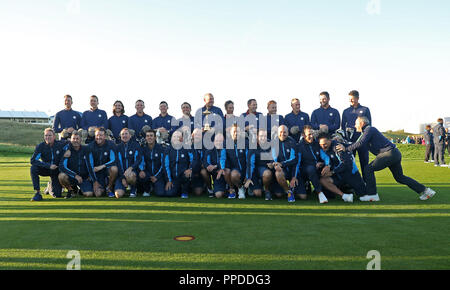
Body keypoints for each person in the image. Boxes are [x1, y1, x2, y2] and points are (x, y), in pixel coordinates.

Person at [336, 116, 436, 201]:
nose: (355, 125)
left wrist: (346, 149)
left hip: (389, 154)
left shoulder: (369, 129)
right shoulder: (366, 132)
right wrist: (344, 145)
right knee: (399, 177)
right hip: (394, 153)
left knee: (368, 169)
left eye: (356, 123)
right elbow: (357, 143)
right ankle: (425, 190)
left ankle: (372, 195)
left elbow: (360, 143)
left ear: (362, 123)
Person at [317, 133, 366, 203]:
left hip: (351, 174)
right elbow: (328, 160)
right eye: (321, 144)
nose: (323, 146)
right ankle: (345, 196)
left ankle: (355, 187)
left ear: (330, 140)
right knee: (323, 180)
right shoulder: (324, 149)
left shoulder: (337, 147)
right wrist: (323, 165)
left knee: (364, 196)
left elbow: (346, 164)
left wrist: (332, 172)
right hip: (338, 175)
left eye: (324, 144)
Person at [30, 128, 68, 201]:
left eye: (50, 135)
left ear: (54, 136)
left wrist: (68, 151)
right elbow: (33, 160)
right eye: (46, 135)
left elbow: (71, 143)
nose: (47, 137)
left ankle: (50, 186)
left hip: (56, 171)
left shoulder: (60, 144)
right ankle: (37, 192)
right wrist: (48, 165)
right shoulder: (40, 146)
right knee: (33, 168)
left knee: (57, 195)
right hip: (46, 169)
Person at [295, 125, 330, 203]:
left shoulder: (317, 144)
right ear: (303, 135)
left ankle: (319, 190)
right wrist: (294, 176)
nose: (311, 136)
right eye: (309, 134)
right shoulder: (299, 147)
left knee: (330, 195)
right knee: (303, 197)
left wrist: (326, 164)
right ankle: (319, 192)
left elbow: (325, 157)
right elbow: (297, 163)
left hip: (316, 170)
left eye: (312, 134)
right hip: (303, 172)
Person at [341, 90, 371, 178]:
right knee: (350, 163)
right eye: (349, 99)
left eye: (352, 99)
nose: (350, 101)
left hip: (363, 141)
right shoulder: (346, 111)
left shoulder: (365, 109)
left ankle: (367, 184)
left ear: (357, 98)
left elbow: (369, 126)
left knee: (364, 163)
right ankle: (352, 185)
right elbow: (342, 127)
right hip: (350, 142)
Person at [58, 131, 95, 198]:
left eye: (77, 139)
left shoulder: (86, 149)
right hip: (72, 177)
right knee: (62, 176)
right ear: (70, 140)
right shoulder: (67, 150)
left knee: (89, 194)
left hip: (84, 178)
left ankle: (80, 190)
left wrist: (90, 176)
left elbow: (91, 165)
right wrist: (75, 175)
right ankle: (71, 190)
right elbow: (61, 166)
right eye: (73, 139)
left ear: (81, 140)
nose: (75, 140)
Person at [269, 125, 298, 203]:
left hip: (292, 170)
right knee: (278, 194)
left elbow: (294, 159)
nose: (282, 134)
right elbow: (274, 157)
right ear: (277, 133)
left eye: (284, 132)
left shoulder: (292, 142)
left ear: (288, 133)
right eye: (280, 132)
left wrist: (293, 177)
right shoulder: (274, 142)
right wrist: (276, 165)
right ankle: (289, 192)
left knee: (303, 196)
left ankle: (294, 187)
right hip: (281, 171)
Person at [87, 127, 118, 197]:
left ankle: (109, 187)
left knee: (114, 169)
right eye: (97, 135)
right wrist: (94, 180)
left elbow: (114, 160)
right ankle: (102, 187)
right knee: (98, 194)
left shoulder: (111, 144)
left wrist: (102, 166)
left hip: (107, 170)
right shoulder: (90, 146)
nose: (98, 137)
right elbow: (89, 164)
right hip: (96, 172)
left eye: (101, 135)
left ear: (105, 136)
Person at [245, 129, 274, 200]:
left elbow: (274, 157)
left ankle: (267, 190)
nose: (263, 138)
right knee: (258, 194)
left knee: (267, 173)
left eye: (265, 136)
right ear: (257, 137)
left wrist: (272, 162)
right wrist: (248, 178)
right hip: (254, 171)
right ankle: (255, 186)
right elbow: (250, 164)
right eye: (261, 136)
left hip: (265, 170)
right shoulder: (253, 147)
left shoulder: (271, 145)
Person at [164, 131, 194, 198]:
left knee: (187, 175)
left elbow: (194, 160)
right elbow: (166, 166)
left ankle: (185, 191)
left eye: (178, 136)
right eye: (174, 136)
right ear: (171, 139)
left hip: (184, 175)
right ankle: (179, 189)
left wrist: (190, 169)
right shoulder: (168, 149)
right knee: (169, 194)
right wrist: (169, 180)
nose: (176, 138)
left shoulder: (187, 148)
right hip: (173, 178)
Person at [114, 128, 143, 198]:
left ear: (130, 135)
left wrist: (131, 168)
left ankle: (133, 188)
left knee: (130, 176)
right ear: (120, 137)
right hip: (121, 174)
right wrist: (123, 178)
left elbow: (138, 160)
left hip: (132, 173)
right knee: (118, 195)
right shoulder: (117, 147)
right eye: (122, 134)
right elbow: (118, 163)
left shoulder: (136, 145)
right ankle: (123, 186)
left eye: (126, 134)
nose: (124, 136)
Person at [138, 130, 166, 197]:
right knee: (141, 175)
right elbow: (141, 162)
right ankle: (147, 189)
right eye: (147, 136)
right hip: (147, 174)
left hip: (158, 175)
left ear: (155, 137)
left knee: (160, 193)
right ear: (145, 138)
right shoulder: (143, 149)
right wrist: (142, 170)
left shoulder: (161, 148)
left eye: (151, 136)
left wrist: (156, 176)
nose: (149, 137)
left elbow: (163, 164)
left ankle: (154, 186)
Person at [224, 124, 248, 199]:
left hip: (245, 169)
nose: (236, 133)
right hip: (235, 170)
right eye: (234, 132)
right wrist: (223, 168)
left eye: (238, 131)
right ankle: (237, 189)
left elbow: (249, 160)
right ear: (230, 133)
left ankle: (245, 188)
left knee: (258, 193)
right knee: (231, 173)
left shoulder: (246, 143)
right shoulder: (226, 144)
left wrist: (248, 174)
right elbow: (223, 158)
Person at [202, 133, 227, 198]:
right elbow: (205, 161)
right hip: (216, 175)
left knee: (227, 171)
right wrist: (208, 166)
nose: (218, 143)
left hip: (225, 174)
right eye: (217, 141)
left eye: (220, 141)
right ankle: (211, 189)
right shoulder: (210, 150)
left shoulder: (228, 149)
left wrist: (216, 166)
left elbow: (227, 162)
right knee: (218, 195)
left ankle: (230, 188)